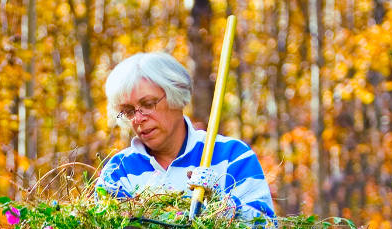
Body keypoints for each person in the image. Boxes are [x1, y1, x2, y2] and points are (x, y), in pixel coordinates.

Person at [97, 52, 275, 220]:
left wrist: (221, 205)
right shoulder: (119, 171)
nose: (138, 118)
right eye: (129, 111)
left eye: (148, 104)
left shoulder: (231, 156)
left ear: (177, 96)